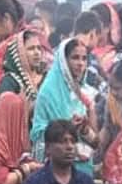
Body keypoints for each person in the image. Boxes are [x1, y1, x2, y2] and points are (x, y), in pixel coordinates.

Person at [31, 36, 100, 172]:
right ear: (63, 61)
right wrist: (67, 128)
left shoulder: (85, 93)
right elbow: (38, 135)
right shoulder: (48, 92)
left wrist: (85, 130)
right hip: (55, 170)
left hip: (82, 168)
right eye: (75, 57)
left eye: (84, 58)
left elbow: (95, 143)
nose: (81, 63)